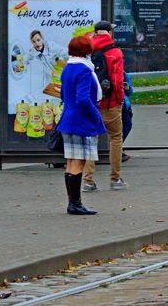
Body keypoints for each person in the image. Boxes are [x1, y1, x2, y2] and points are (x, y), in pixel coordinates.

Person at [56, 35, 106, 215]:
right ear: (87, 50)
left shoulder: (68, 68)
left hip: (67, 119)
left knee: (71, 163)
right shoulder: (84, 70)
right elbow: (83, 99)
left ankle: (73, 203)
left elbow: (63, 95)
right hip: (81, 121)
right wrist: (95, 115)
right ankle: (75, 205)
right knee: (79, 162)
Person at [83, 21, 126, 192]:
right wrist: (120, 99)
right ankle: (115, 179)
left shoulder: (87, 51)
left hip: (91, 104)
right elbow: (117, 80)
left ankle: (88, 181)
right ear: (109, 32)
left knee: (90, 141)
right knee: (115, 138)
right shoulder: (115, 52)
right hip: (110, 104)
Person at [120, 71, 133, 162]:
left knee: (127, 125)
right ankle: (116, 148)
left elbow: (130, 92)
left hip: (124, 104)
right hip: (115, 103)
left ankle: (117, 147)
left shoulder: (125, 75)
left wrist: (127, 88)